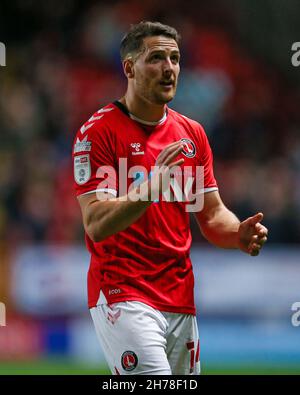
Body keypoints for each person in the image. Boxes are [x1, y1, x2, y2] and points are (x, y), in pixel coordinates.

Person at [72, 21, 268, 375]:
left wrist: (237, 233)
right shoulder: (97, 133)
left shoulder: (192, 134)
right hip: (123, 293)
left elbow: (211, 215)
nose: (169, 68)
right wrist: (151, 186)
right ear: (129, 68)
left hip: (180, 298)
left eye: (175, 59)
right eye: (157, 58)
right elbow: (96, 223)